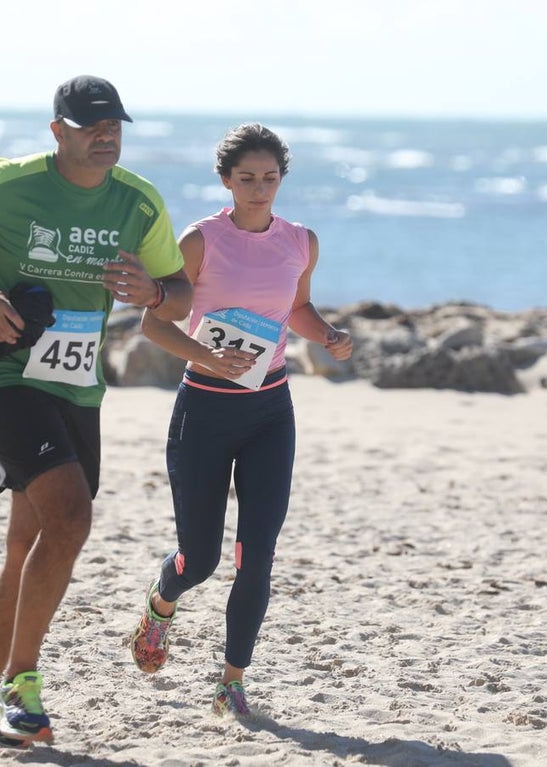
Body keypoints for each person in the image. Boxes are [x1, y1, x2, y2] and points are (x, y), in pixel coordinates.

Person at [0, 75, 192, 745]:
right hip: (5, 374)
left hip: (77, 386)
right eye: (90, 126)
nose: (106, 136)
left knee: (28, 546)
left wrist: (154, 291)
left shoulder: (137, 202)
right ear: (57, 131)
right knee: (70, 517)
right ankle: (22, 682)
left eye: (114, 126)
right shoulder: (7, 184)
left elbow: (183, 294)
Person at [127, 123, 352, 715]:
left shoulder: (301, 240)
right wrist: (208, 357)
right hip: (203, 408)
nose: (258, 190)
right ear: (225, 180)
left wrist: (326, 334)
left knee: (257, 554)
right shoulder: (200, 242)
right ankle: (161, 601)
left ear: (282, 180)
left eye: (270, 179)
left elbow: (296, 307)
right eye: (246, 179)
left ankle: (232, 680)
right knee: (197, 560)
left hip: (270, 411)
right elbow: (154, 323)